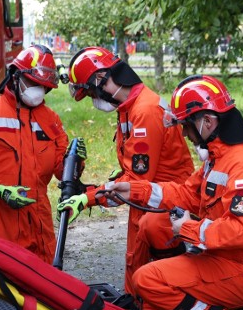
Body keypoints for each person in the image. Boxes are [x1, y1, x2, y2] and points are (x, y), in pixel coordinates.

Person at [103, 75, 243, 310]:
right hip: (220, 258)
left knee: (147, 280)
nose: (184, 134)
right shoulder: (217, 159)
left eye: (186, 125)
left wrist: (187, 228)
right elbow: (184, 192)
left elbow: (242, 232)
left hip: (241, 271)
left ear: (208, 121)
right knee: (152, 225)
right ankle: (187, 301)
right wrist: (133, 190)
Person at [56, 46, 195, 296]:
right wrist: (88, 190)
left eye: (89, 93)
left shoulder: (145, 111)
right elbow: (132, 173)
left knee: (151, 272)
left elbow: (135, 183)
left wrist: (88, 199)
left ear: (101, 79)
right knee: (135, 263)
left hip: (163, 203)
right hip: (148, 197)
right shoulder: (129, 107)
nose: (92, 99)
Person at [0, 44, 83, 264]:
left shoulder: (51, 120)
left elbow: (62, 172)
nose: (38, 91)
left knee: (45, 285)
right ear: (15, 77)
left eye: (43, 87)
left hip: (39, 223)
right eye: (33, 84)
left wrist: (76, 162)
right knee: (4, 285)